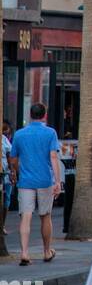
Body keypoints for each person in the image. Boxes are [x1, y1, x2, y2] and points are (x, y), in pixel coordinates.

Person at [9, 102, 62, 265]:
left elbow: (13, 159)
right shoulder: (50, 133)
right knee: (45, 215)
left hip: (25, 180)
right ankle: (46, 251)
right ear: (44, 115)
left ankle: (24, 253)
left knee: (26, 216)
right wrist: (58, 181)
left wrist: (16, 171)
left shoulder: (19, 134)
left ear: (30, 115)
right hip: (45, 179)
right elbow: (53, 157)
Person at [2, 121, 13, 231]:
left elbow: (9, 155)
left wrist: (12, 172)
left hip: (5, 174)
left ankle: (2, 225)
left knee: (7, 200)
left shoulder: (4, 140)